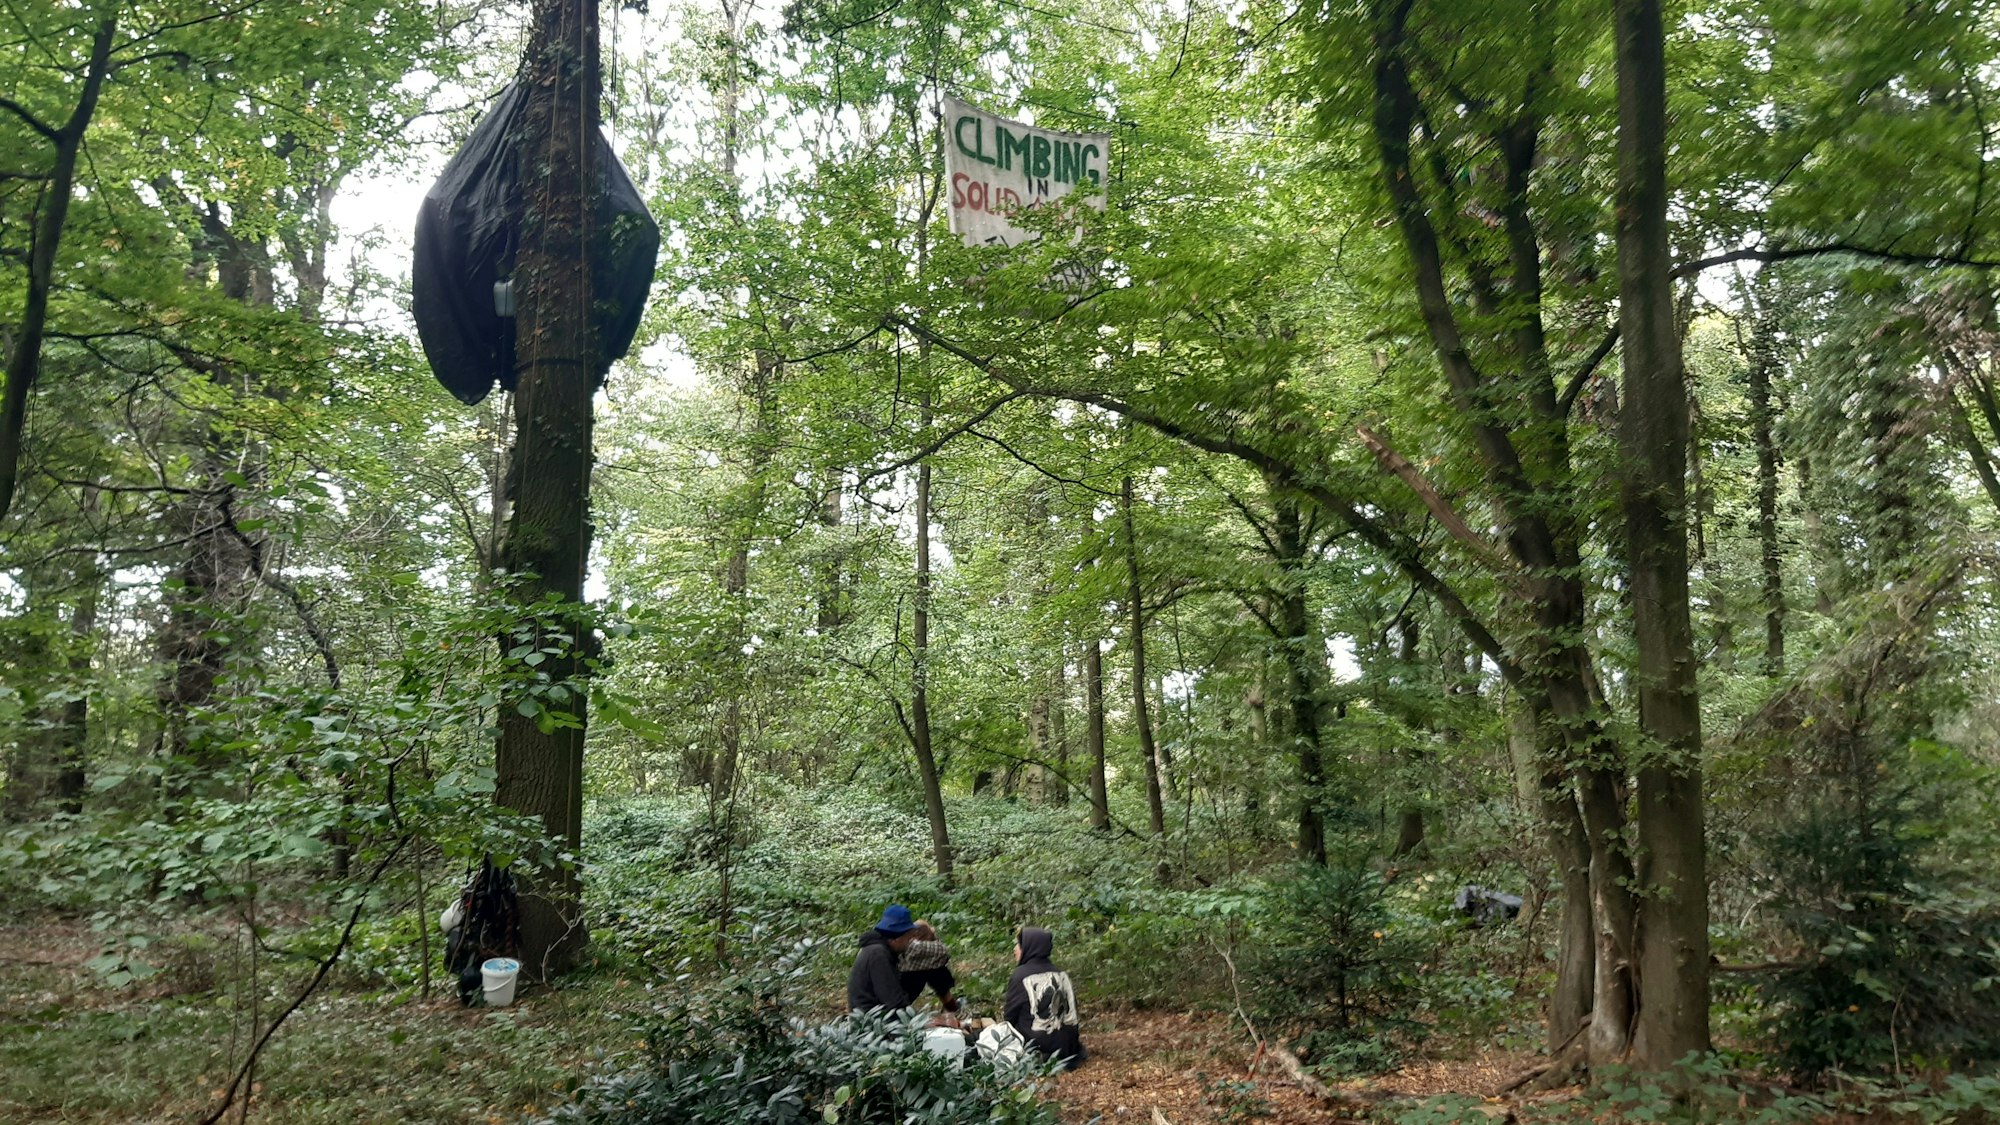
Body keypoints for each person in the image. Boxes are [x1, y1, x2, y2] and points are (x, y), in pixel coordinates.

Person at [1004, 925, 1086, 1069]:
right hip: (1069, 1047)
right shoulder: (1061, 974)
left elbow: (1009, 1018)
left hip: (1039, 1048)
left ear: (1029, 947)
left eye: (1018, 945)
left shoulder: (1021, 976)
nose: (1014, 949)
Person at [848, 904, 919, 1012]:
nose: (909, 943)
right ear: (896, 938)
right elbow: (893, 1001)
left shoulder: (877, 949)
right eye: (908, 938)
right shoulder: (878, 954)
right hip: (871, 1020)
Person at [899, 920, 960, 1019]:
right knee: (936, 971)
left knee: (936, 971)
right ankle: (951, 1006)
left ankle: (951, 1007)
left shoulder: (918, 949)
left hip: (907, 980)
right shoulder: (912, 946)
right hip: (896, 988)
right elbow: (943, 951)